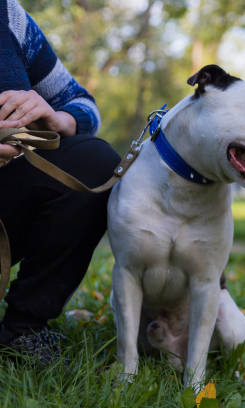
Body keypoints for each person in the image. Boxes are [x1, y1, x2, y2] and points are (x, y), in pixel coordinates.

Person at [0, 0, 120, 360]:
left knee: (94, 160)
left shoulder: (9, 16)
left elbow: (83, 104)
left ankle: (23, 329)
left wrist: (57, 118)